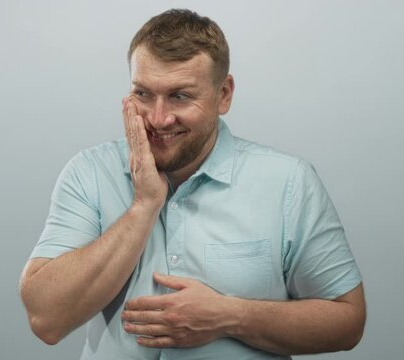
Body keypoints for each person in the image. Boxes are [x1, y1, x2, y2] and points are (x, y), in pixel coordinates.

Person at [19, 9, 366, 360]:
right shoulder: (89, 174)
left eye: (180, 96)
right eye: (143, 94)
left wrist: (231, 316)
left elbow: (348, 321)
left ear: (224, 94)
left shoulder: (288, 183)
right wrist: (144, 207)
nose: (158, 118)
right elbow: (46, 319)